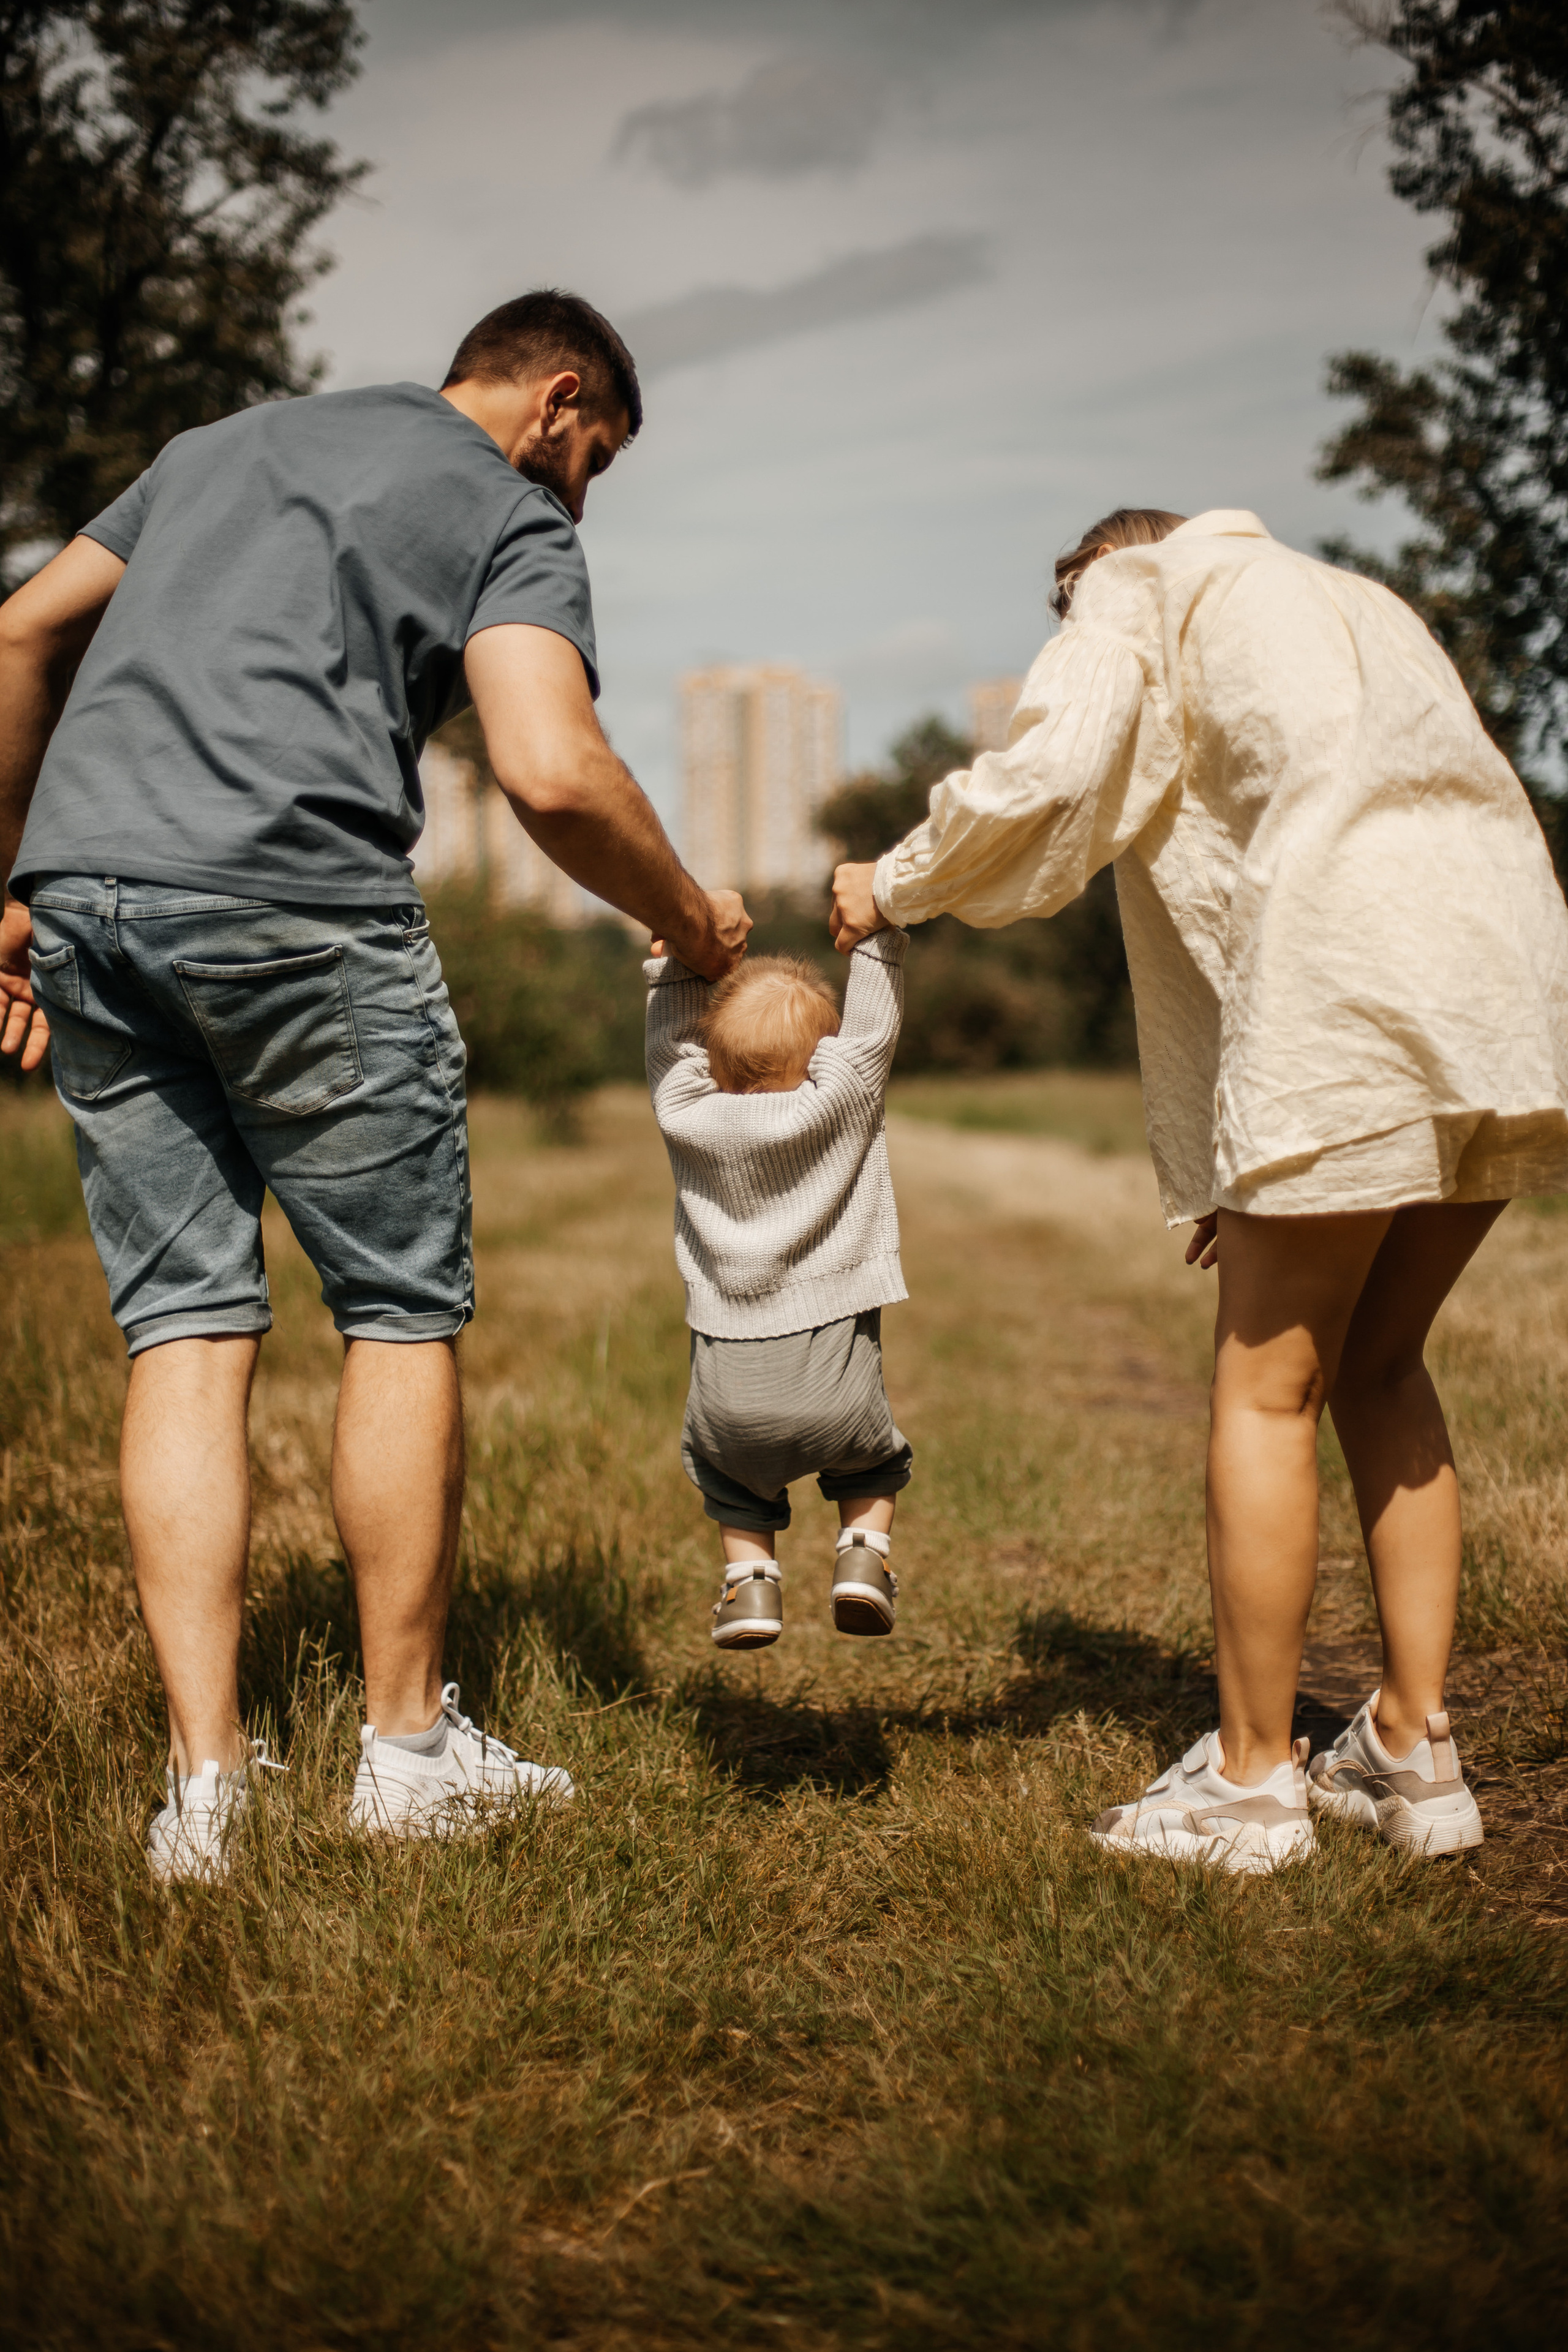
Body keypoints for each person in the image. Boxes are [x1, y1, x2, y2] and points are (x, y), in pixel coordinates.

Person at [0, 288, 750, 1883]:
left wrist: (7, 886)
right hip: (294, 906)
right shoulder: (503, 506)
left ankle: (204, 1795)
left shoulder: (222, 446)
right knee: (398, 1312)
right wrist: (692, 921)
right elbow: (552, 769)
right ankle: (405, 1752)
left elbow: (17, 629)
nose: (580, 494)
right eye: (594, 459)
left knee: (185, 1331)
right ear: (558, 402)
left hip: (89, 899)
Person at [830, 504, 1568, 1874]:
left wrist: (893, 882)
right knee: (1381, 1362)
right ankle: (1413, 1745)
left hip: (1347, 988)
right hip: (1500, 987)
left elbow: (1047, 784)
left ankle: (1247, 1783)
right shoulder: (1351, 600)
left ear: (1089, 571)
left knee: (1264, 1386)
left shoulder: (1130, 592)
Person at [644, 937, 913, 1648]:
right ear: (826, 1057)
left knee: (728, 1481)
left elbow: (669, 1049)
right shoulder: (844, 1104)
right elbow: (872, 1034)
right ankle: (863, 1553)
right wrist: (878, 936)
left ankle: (750, 1584)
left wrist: (677, 962)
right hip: (836, 1383)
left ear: (715, 1065)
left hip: (727, 1395)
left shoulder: (686, 1116)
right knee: (876, 1460)